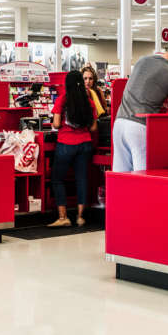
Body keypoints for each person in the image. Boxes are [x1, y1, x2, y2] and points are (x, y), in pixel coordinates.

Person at [113, 38, 168, 172]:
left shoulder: (142, 61)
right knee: (142, 175)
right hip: (139, 127)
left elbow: (147, 83)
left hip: (119, 123)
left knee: (120, 175)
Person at [49, 70, 97, 227]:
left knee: (57, 179)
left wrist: (56, 123)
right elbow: (93, 127)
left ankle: (63, 217)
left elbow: (56, 124)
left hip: (66, 144)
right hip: (85, 144)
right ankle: (80, 217)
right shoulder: (89, 102)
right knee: (81, 179)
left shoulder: (62, 100)